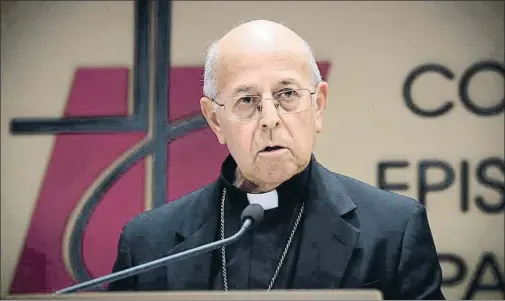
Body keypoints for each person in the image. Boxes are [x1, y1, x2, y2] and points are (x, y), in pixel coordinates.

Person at [108, 19, 445, 299]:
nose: (269, 118)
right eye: (247, 100)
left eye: (287, 94)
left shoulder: (393, 230)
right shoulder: (147, 244)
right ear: (214, 120)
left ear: (318, 106)